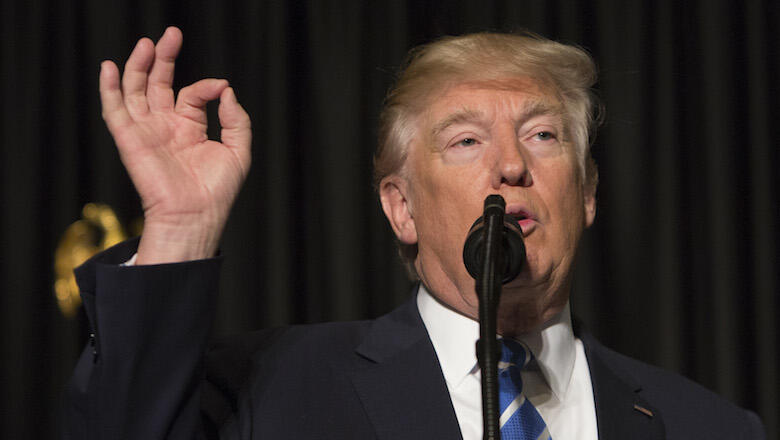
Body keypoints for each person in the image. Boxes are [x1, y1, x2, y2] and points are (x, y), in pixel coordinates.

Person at [63, 27, 764, 439]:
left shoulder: (711, 428)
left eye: (543, 135)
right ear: (401, 209)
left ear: (585, 196)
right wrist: (181, 230)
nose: (512, 164)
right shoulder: (268, 390)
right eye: (464, 141)